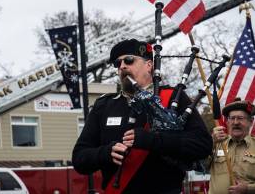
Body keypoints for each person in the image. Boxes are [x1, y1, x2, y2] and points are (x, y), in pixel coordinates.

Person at [72, 38, 212, 193]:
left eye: (129, 60)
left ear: (149, 65)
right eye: (118, 64)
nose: (122, 66)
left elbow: (202, 145)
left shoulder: (173, 98)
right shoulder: (104, 105)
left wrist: (152, 140)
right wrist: (105, 153)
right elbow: (79, 158)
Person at [209, 98, 255, 194]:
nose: (235, 122)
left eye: (240, 118)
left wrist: (248, 189)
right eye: (232, 118)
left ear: (251, 121)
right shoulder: (216, 144)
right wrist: (211, 142)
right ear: (227, 122)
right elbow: (199, 165)